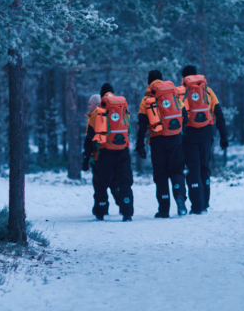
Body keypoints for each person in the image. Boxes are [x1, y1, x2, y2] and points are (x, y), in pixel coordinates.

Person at [135, 70, 188, 218]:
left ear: (149, 81)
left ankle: (164, 209)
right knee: (177, 171)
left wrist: (140, 144)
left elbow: (142, 123)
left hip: (157, 141)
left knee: (161, 174)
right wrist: (180, 134)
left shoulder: (147, 98)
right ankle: (180, 198)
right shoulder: (173, 94)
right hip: (175, 139)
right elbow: (185, 117)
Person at [82, 83, 135, 221]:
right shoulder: (122, 108)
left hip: (105, 152)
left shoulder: (97, 111)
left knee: (101, 183)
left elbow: (90, 136)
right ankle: (127, 212)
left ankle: (100, 210)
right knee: (124, 182)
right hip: (123, 150)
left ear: (102, 95)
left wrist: (87, 157)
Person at [181, 65, 228, 214]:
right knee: (204, 168)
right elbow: (218, 114)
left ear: (184, 78)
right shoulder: (207, 90)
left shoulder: (181, 91)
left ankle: (196, 206)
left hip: (189, 134)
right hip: (207, 133)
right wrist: (223, 135)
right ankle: (205, 204)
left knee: (193, 168)